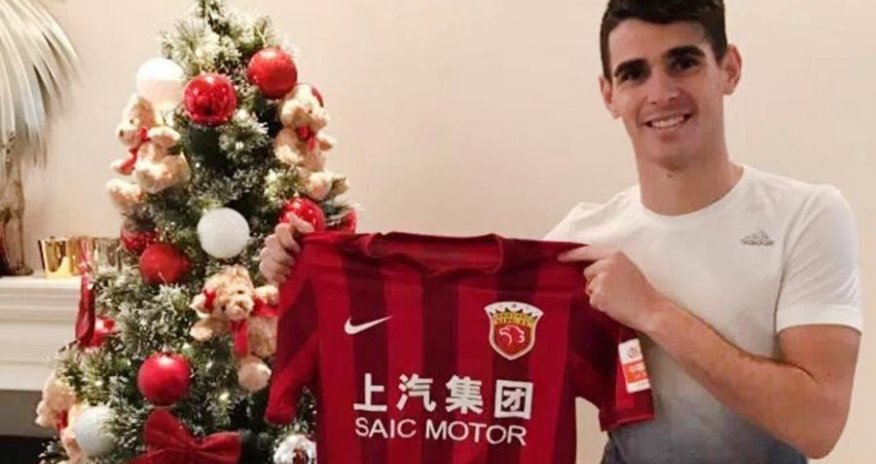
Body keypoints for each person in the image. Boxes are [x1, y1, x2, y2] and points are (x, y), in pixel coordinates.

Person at [259, 1, 863, 462]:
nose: (660, 93)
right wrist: (302, 270)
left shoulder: (807, 216)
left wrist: (654, 312)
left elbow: (818, 425)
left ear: (729, 69)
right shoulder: (576, 242)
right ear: (609, 94)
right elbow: (447, 351)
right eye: (634, 73)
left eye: (683, 61)